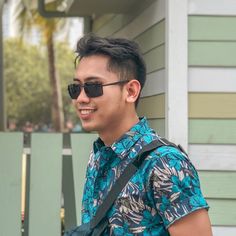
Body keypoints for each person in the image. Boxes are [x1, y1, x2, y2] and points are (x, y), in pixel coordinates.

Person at [68, 34, 212, 235]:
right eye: (76, 88)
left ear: (131, 91)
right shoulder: (98, 156)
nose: (81, 98)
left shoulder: (165, 163)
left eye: (93, 87)